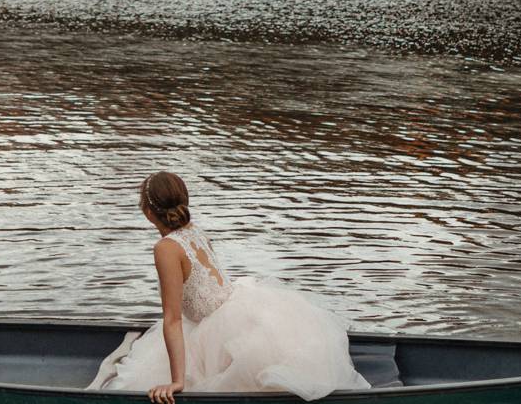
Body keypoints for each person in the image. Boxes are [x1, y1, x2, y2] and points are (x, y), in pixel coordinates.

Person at [89, 172, 370, 402]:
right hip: (239, 303)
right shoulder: (193, 230)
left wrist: (177, 380)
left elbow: (173, 319)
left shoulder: (165, 248)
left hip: (218, 326)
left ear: (148, 212)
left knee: (138, 378)